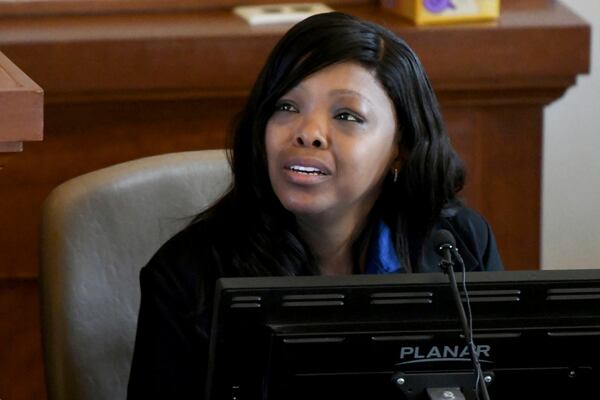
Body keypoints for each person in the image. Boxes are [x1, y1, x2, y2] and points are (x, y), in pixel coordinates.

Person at [127, 11, 503, 399]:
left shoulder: (458, 247)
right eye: (287, 107)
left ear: (400, 149)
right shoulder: (187, 276)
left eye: (347, 115)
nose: (308, 133)